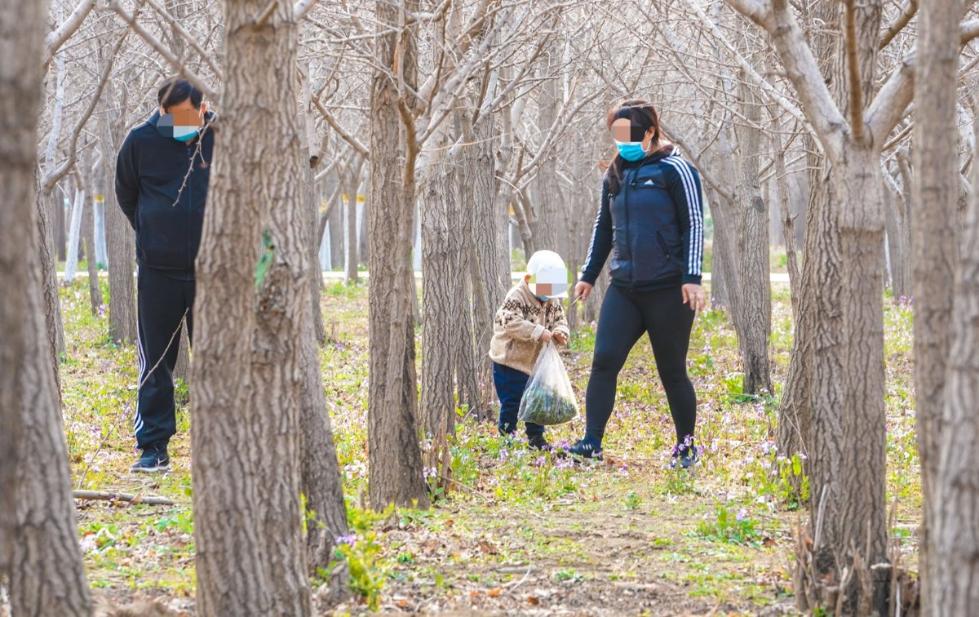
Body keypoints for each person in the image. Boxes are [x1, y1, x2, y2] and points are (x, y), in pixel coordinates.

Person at [568, 99, 707, 468]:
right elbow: (604, 227)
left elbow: (694, 223)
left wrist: (692, 278)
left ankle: (686, 448)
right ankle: (591, 442)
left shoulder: (676, 169)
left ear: (649, 132)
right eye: (617, 134)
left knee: (672, 371)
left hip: (669, 289)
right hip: (625, 288)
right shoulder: (615, 174)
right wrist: (588, 275)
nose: (622, 142)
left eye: (629, 134)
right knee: (604, 360)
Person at [115, 78, 214, 472]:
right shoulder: (140, 141)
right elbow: (127, 194)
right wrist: (152, 232)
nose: (181, 124)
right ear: (162, 111)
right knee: (156, 364)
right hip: (158, 272)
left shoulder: (220, 137)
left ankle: (218, 447)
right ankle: (153, 448)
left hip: (212, 273)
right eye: (172, 117)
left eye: (189, 115)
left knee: (217, 361)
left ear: (203, 108)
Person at [488, 250, 571, 451]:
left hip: (536, 363)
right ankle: (507, 438)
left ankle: (536, 438)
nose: (548, 294)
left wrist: (560, 332)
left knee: (536, 399)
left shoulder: (552, 300)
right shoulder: (516, 296)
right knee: (512, 402)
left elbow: (560, 320)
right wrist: (538, 331)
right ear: (528, 279)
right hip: (510, 362)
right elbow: (509, 322)